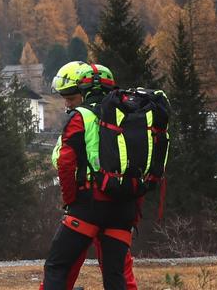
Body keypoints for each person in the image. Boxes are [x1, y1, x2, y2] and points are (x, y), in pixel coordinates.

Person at [40, 62, 137, 290]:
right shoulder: (132, 115)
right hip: (123, 208)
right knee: (116, 276)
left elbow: (65, 162)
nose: (67, 103)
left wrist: (70, 200)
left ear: (85, 93)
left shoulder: (81, 116)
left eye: (71, 97)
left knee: (57, 267)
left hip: (89, 204)